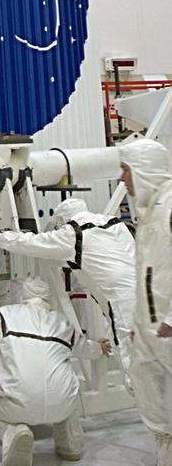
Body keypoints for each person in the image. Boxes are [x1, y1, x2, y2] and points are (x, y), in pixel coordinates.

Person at [0, 277, 109, 466]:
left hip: (17, 405)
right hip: (61, 406)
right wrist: (100, 347)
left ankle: (13, 433)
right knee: (69, 393)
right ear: (48, 299)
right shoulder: (62, 323)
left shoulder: (4, 316)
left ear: (22, 296)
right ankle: (70, 446)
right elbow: (85, 348)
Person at [0, 198, 136, 372]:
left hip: (121, 304)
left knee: (132, 362)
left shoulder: (72, 234)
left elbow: (30, 243)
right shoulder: (116, 224)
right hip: (146, 294)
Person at [119, 138, 172, 466]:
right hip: (155, 331)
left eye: (126, 171)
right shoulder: (150, 213)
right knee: (154, 400)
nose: (122, 179)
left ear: (144, 170)